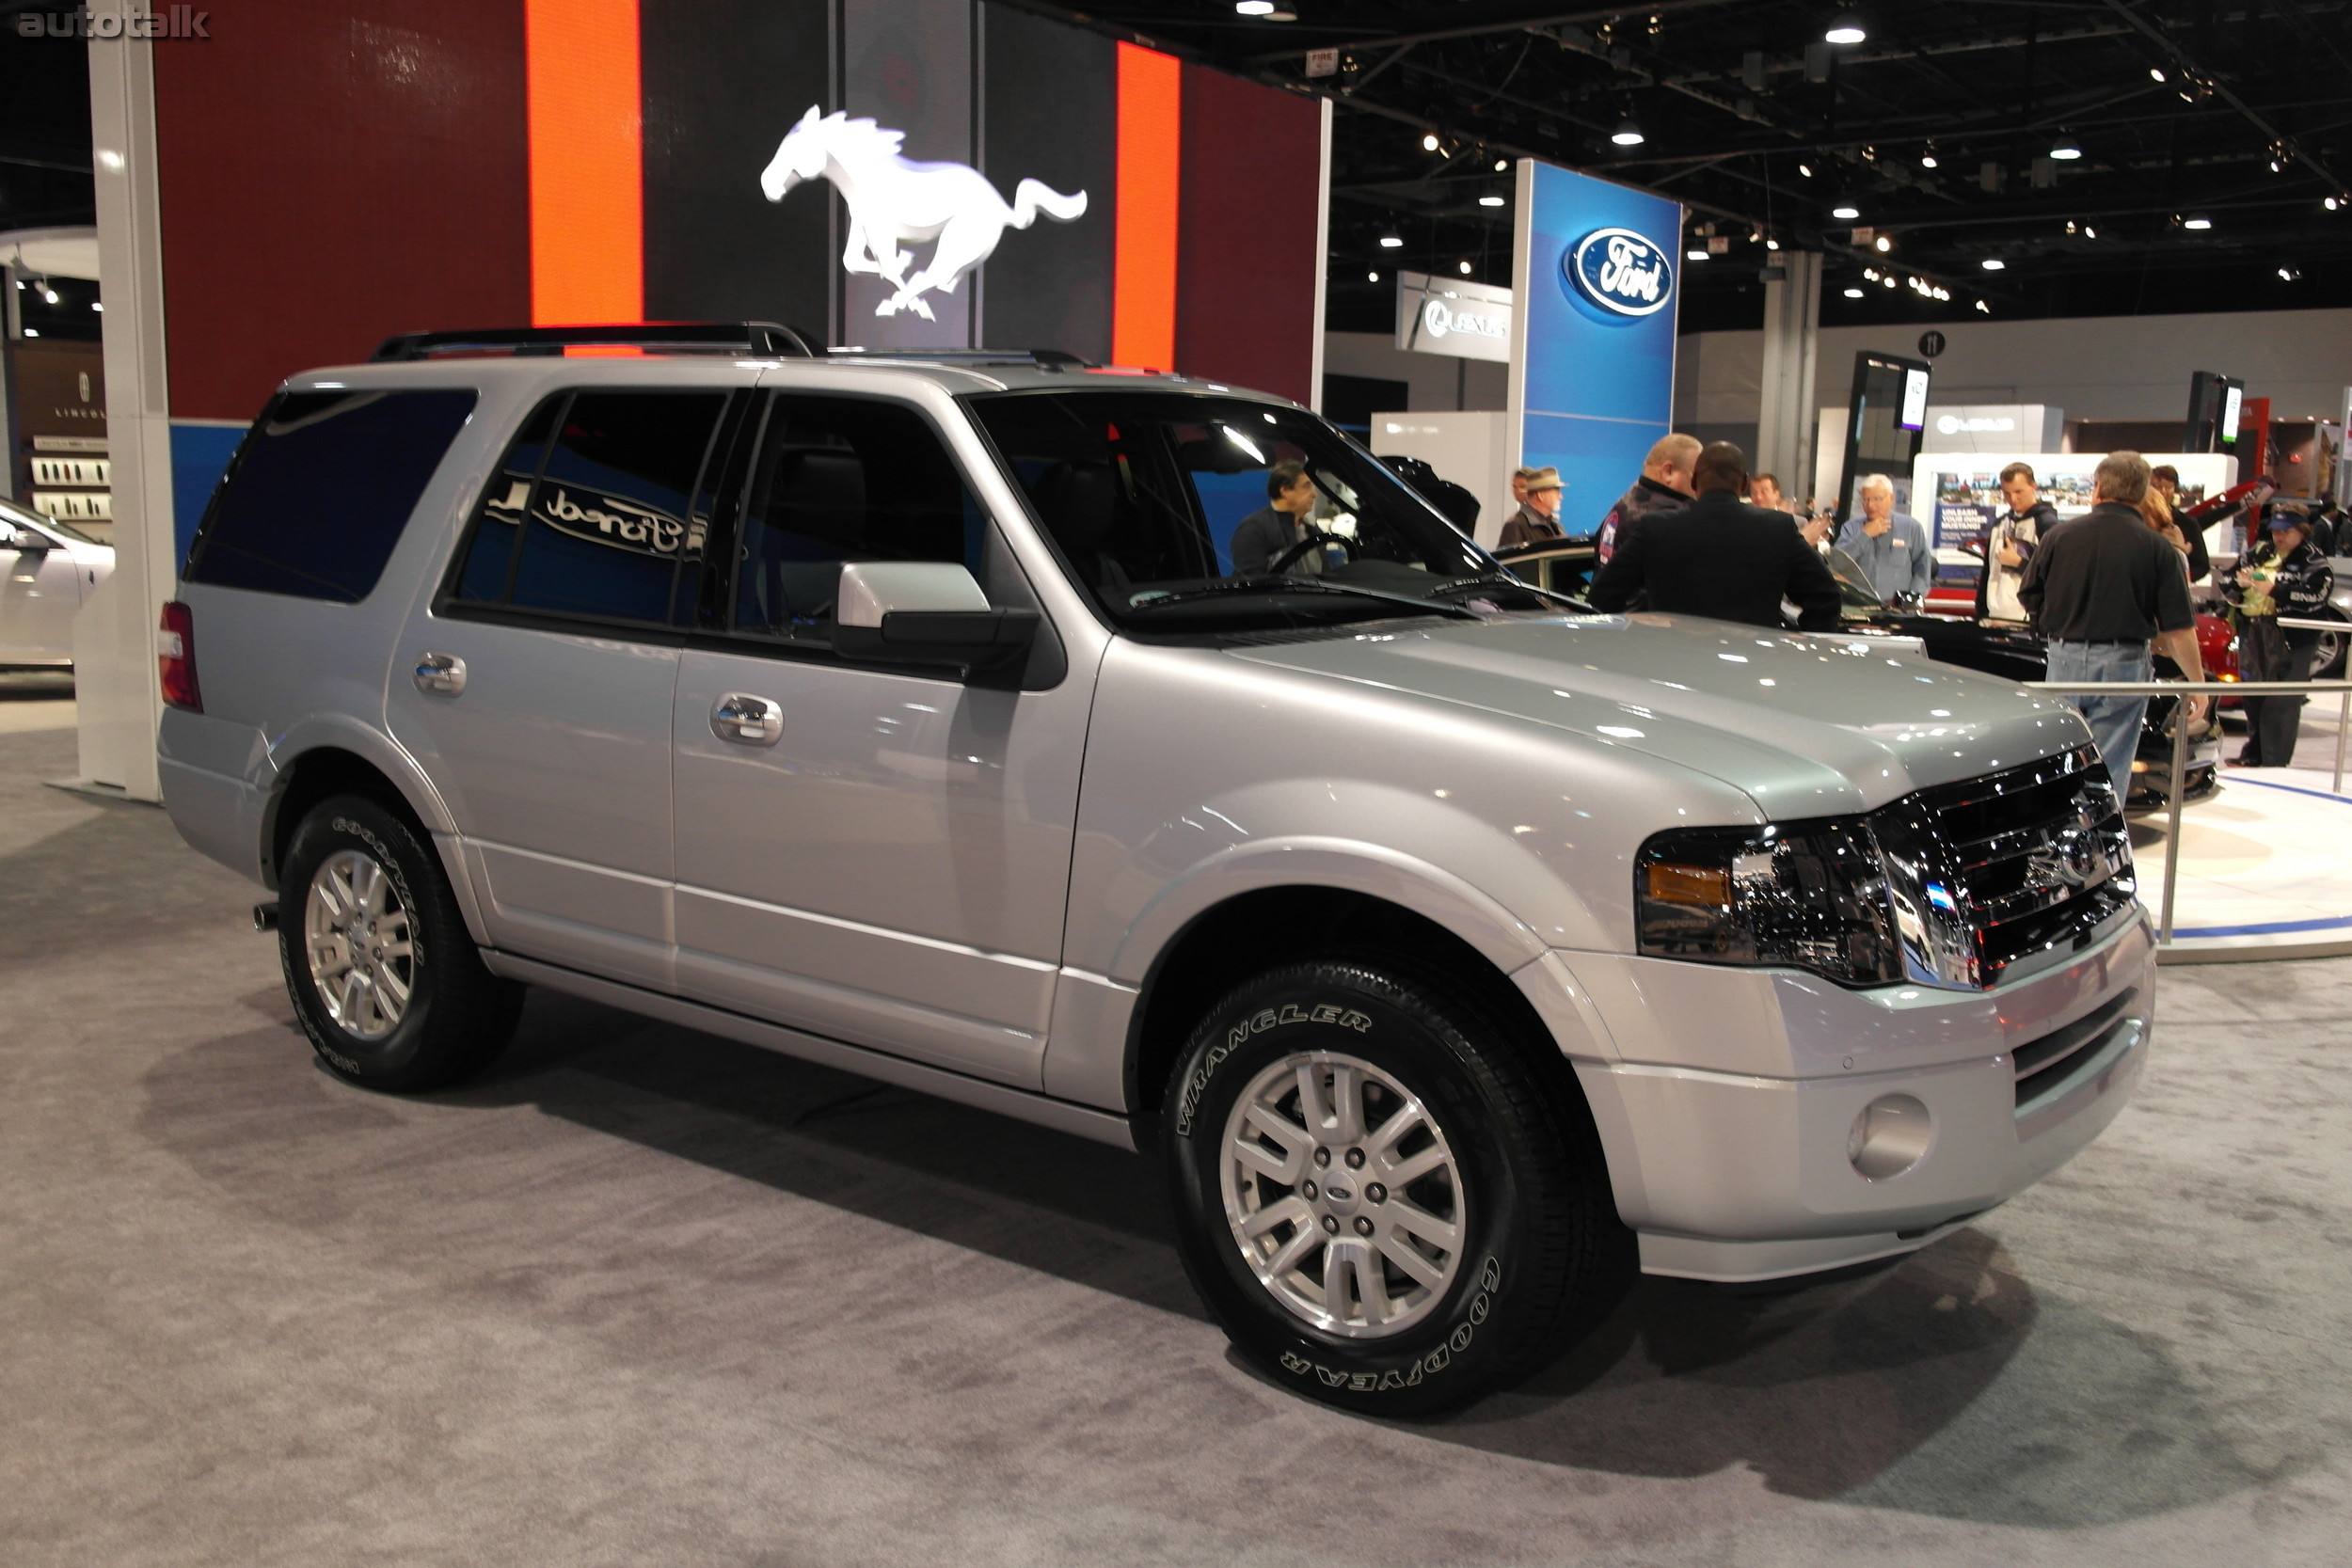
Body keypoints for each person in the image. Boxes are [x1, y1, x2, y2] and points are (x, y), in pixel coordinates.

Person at [2019, 451, 2208, 793]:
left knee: (2060, 758)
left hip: (2064, 657)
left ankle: (2063, 823)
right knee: (2109, 765)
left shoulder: (2058, 536)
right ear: (2143, 491)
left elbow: (2029, 594)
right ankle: (2101, 826)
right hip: (2123, 663)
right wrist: (2197, 683)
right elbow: (2179, 629)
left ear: (2098, 487)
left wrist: (2060, 619)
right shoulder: (2158, 548)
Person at [1587, 441, 1843, 631]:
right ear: (1743, 484)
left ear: (1695, 481)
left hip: (1672, 665)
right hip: (1754, 666)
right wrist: (1795, 648)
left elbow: (1602, 596)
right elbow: (1826, 598)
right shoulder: (1778, 529)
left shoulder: (1656, 528)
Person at [2226, 507, 2334, 768]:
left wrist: (2276, 590)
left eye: (2286, 532)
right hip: (2254, 631)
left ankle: (2274, 761)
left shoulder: (2313, 559)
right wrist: (2237, 584)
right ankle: (2254, 753)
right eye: (2275, 531)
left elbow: (2317, 595)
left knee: (2281, 700)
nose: (2279, 537)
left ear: (2302, 532)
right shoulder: (2259, 551)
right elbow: (2228, 578)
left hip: (2292, 637)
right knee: (2253, 695)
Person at [1595, 433, 1699, 562]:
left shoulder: (1622, 505)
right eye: (1695, 474)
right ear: (1668, 472)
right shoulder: (1668, 518)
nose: (1699, 483)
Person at [1835, 474, 1934, 603]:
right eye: (1865, 500)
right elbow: (1838, 563)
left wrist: (1908, 599)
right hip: (1858, 607)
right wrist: (1865, 535)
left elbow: (1922, 569)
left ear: (1891, 498)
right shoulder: (1851, 528)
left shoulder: (1911, 527)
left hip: (1898, 609)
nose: (1870, 505)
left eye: (1877, 499)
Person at [1976, 461, 2056, 622]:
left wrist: (2019, 563)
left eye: (2019, 491)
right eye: (2007, 493)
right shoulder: (1999, 524)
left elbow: (2055, 575)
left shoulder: (2047, 525)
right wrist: (1980, 614)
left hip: (2029, 619)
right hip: (1993, 617)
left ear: (2033, 486)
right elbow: (1988, 572)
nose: (2013, 498)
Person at [1229, 460, 1324, 576]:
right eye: (1306, 486)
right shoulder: (1253, 529)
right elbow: (1251, 581)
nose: (1314, 494)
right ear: (1285, 491)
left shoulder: (1311, 529)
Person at [1497, 467, 1566, 548]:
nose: (1560, 497)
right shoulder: (1515, 526)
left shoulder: (1556, 526)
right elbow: (1507, 556)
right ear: (1541, 495)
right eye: (1556, 492)